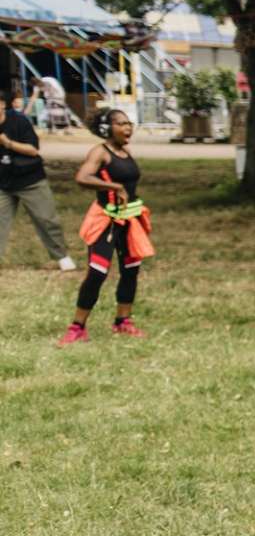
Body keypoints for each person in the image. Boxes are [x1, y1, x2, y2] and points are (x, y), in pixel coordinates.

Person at [59, 110, 149, 344]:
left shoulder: (124, 151)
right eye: (121, 124)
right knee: (98, 272)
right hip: (106, 221)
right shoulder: (100, 152)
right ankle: (77, 326)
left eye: (130, 123)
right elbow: (82, 177)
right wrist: (113, 186)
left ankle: (123, 321)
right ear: (107, 128)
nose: (128, 128)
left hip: (129, 220)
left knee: (131, 271)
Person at [1, 84, 76, 270]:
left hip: (30, 179)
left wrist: (7, 143)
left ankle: (61, 256)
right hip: (3, 182)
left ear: (2, 104)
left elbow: (33, 149)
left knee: (46, 219)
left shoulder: (19, 121)